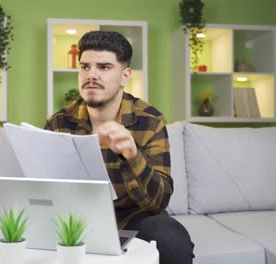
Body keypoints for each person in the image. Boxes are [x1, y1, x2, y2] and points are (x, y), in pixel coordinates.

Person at [45, 30, 194, 264]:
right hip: (77, 220)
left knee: (170, 237)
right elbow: (46, 189)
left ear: (125, 76)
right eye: (85, 67)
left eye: (104, 67)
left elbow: (158, 202)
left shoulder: (151, 121)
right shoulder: (58, 122)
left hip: (134, 219)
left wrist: (133, 155)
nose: (91, 75)